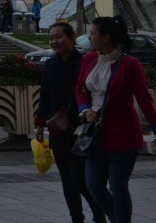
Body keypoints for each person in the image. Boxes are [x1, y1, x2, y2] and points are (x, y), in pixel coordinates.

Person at [75, 16, 156, 223]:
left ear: (105, 37)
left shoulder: (130, 65)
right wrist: (84, 109)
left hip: (123, 134)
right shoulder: (89, 59)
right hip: (95, 133)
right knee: (93, 185)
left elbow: (144, 99)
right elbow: (79, 88)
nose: (90, 38)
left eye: (93, 34)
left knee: (118, 187)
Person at [35, 22, 106, 223]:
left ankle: (99, 214)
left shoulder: (85, 62)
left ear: (72, 38)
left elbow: (94, 93)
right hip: (59, 129)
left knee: (81, 179)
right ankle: (76, 217)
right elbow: (45, 95)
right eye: (51, 38)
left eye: (59, 37)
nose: (54, 42)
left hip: (82, 128)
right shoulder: (50, 64)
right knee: (67, 180)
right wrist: (40, 123)